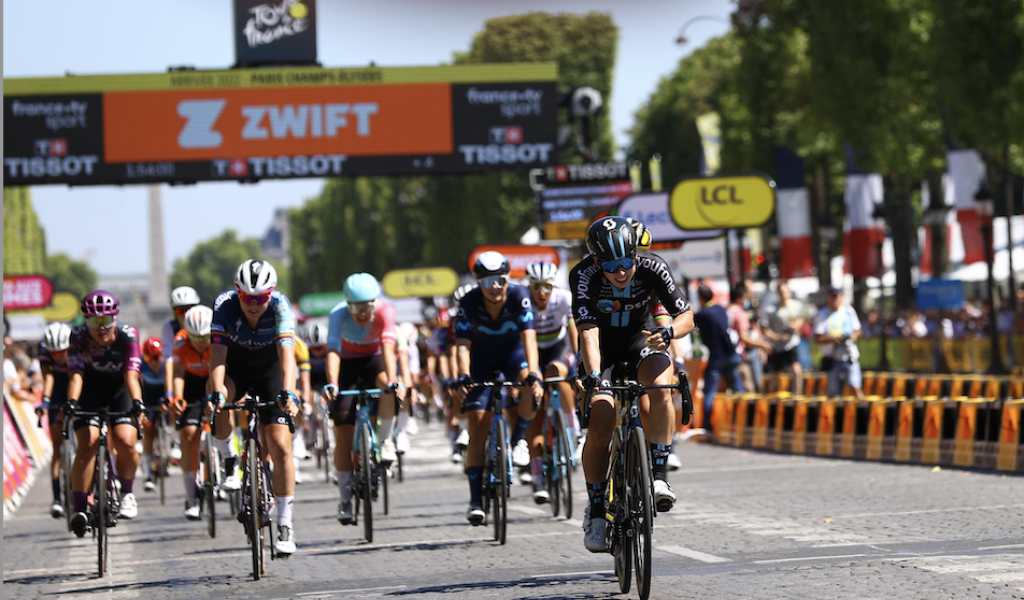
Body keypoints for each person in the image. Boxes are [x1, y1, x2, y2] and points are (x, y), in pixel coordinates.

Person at [570, 216, 694, 553]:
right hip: (603, 352)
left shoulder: (654, 266)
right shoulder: (584, 275)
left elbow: (686, 315)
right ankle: (596, 511)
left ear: (636, 256)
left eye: (627, 262)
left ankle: (658, 475)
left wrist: (669, 332)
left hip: (641, 341)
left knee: (663, 388)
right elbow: (589, 332)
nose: (621, 272)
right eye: (612, 266)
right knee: (601, 423)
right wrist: (594, 377)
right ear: (597, 262)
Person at [209, 259, 301, 555]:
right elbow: (218, 356)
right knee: (220, 400)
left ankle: (285, 523)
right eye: (247, 298)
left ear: (270, 294)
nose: (253, 304)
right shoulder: (224, 305)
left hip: (269, 369)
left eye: (260, 298)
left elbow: (287, 354)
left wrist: (289, 392)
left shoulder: (280, 305)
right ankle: (228, 458)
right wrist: (218, 392)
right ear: (237, 293)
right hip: (235, 366)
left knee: (280, 445)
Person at [453, 251, 544, 525]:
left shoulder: (519, 296)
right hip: (480, 359)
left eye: (501, 280)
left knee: (531, 385)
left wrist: (535, 373)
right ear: (478, 283)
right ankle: (474, 500)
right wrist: (464, 375)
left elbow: (529, 338)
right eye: (488, 282)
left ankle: (516, 442)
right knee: (478, 424)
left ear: (508, 280)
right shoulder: (468, 303)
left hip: (512, 354)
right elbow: (462, 346)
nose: (495, 287)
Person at [321, 273, 403, 526]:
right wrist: (333, 383)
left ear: (374, 303)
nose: (361, 313)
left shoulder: (385, 311)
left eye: (366, 306)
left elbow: (388, 349)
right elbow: (333, 351)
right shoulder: (337, 315)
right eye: (355, 307)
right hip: (346, 364)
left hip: (374, 359)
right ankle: (345, 498)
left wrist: (392, 379)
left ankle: (385, 440)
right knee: (343, 435)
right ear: (347, 304)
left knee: (388, 387)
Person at [66, 290, 145, 537]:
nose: (100, 328)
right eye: (93, 322)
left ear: (115, 319)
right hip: (90, 390)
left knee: (124, 440)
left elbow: (131, 376)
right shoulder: (78, 336)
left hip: (120, 388)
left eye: (106, 321)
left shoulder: (128, 335)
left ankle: (127, 492)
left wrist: (137, 402)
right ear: (85, 322)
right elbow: (76, 375)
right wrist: (71, 402)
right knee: (88, 443)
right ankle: (79, 510)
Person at [523, 261, 578, 504]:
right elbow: (523, 340)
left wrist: (581, 362)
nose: (541, 292)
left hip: (558, 347)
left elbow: (574, 330)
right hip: (533, 350)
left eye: (546, 286)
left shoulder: (564, 299)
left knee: (557, 371)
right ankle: (537, 479)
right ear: (529, 287)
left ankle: (571, 425)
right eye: (536, 287)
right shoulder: (523, 302)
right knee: (532, 397)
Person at [171, 305, 213, 520]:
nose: (200, 342)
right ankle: (191, 497)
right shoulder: (180, 341)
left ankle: (228, 460)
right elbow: (177, 373)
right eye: (195, 337)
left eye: (204, 337)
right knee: (189, 436)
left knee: (225, 416)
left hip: (213, 379)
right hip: (190, 384)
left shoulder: (218, 337)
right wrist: (178, 398)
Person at [693, 284, 744, 435]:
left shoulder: (703, 315)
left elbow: (693, 326)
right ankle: (744, 419)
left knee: (709, 391)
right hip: (730, 354)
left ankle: (707, 426)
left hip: (716, 357)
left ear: (700, 298)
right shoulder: (721, 309)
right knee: (737, 388)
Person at [36, 322, 73, 518]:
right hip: (56, 391)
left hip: (76, 384)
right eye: (54, 353)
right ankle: (57, 498)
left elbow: (78, 376)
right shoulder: (43, 350)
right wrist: (46, 402)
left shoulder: (77, 347)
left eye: (63, 352)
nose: (59, 356)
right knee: (57, 447)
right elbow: (48, 376)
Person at [814, 286, 864, 400]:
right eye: (832, 297)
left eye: (837, 297)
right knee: (833, 392)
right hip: (832, 357)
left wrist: (853, 336)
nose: (835, 300)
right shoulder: (822, 314)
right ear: (828, 298)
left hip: (849, 355)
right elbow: (817, 338)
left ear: (841, 297)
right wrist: (833, 340)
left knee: (856, 387)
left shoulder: (848, 311)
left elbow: (858, 330)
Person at [727, 282, 771, 394]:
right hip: (741, 352)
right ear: (739, 298)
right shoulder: (739, 313)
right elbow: (744, 337)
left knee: (738, 386)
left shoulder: (728, 311)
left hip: (734, 353)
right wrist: (762, 345)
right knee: (749, 386)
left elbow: (756, 326)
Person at [762, 280, 805, 394]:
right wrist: (777, 337)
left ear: (789, 292)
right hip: (777, 346)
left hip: (791, 343)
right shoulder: (770, 309)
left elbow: (801, 318)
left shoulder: (796, 305)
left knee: (796, 371)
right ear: (777, 293)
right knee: (776, 374)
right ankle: (769, 395)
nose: (784, 294)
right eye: (781, 292)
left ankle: (797, 397)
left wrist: (796, 325)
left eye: (786, 292)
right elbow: (764, 330)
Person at [139, 337, 167, 492]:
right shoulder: (142, 365)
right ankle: (148, 474)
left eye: (157, 357)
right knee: (148, 431)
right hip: (148, 396)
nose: (154, 362)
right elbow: (136, 384)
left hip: (164, 393)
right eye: (149, 358)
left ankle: (171, 443)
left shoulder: (166, 364)